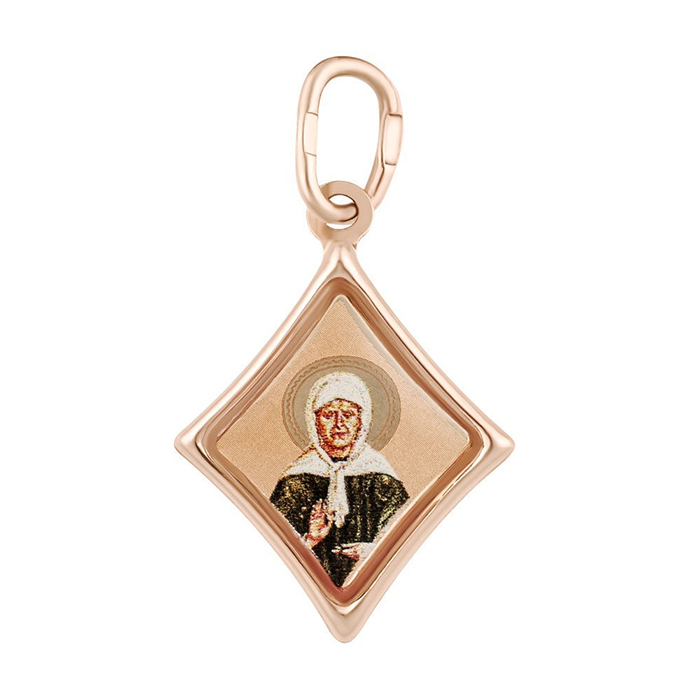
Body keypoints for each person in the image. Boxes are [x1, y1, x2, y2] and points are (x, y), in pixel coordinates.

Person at [271, 371, 408, 587]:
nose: (339, 424)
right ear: (314, 421)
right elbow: (270, 552)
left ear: (361, 421)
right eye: (328, 415)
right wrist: (310, 540)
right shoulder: (294, 481)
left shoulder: (382, 479)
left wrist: (372, 553)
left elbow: (408, 541)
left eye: (348, 414)